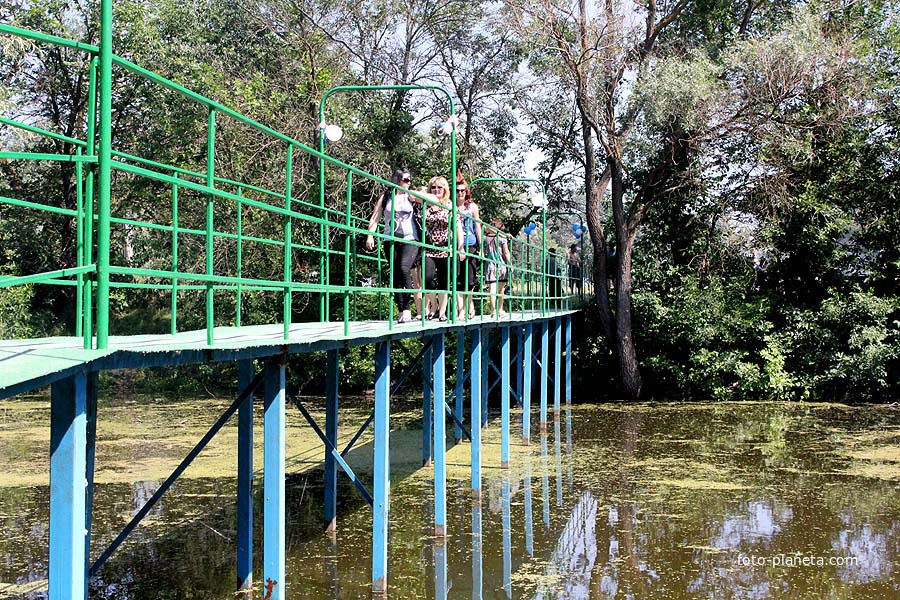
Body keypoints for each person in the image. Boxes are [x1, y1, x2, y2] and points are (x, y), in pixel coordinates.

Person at [365, 169, 422, 323]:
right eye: (405, 180)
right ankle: (402, 309)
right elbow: (376, 217)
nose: (408, 183)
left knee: (404, 268)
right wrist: (370, 235)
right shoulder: (386, 197)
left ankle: (408, 308)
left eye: (410, 180)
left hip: (410, 238)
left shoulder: (411, 195)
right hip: (390, 239)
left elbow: (431, 201)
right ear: (396, 180)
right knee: (395, 274)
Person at [422, 176, 465, 321]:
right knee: (427, 278)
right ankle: (434, 305)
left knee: (444, 281)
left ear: (445, 189)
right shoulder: (425, 204)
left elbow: (458, 227)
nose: (436, 190)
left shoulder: (449, 205)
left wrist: (461, 246)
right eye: (433, 187)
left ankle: (442, 312)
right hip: (428, 247)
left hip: (446, 248)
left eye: (439, 187)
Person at [455, 174, 482, 319]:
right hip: (455, 246)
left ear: (466, 192)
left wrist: (481, 246)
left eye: (462, 190)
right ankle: (461, 311)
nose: (460, 193)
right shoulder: (450, 205)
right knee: (458, 279)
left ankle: (470, 303)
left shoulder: (472, 207)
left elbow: (477, 226)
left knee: (470, 279)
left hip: (470, 244)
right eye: (458, 190)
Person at [485, 218, 511, 317]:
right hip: (501, 266)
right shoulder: (502, 238)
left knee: (492, 289)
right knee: (500, 290)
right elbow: (506, 252)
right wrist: (510, 264)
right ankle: (500, 310)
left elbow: (484, 252)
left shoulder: (485, 238)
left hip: (490, 266)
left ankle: (493, 311)